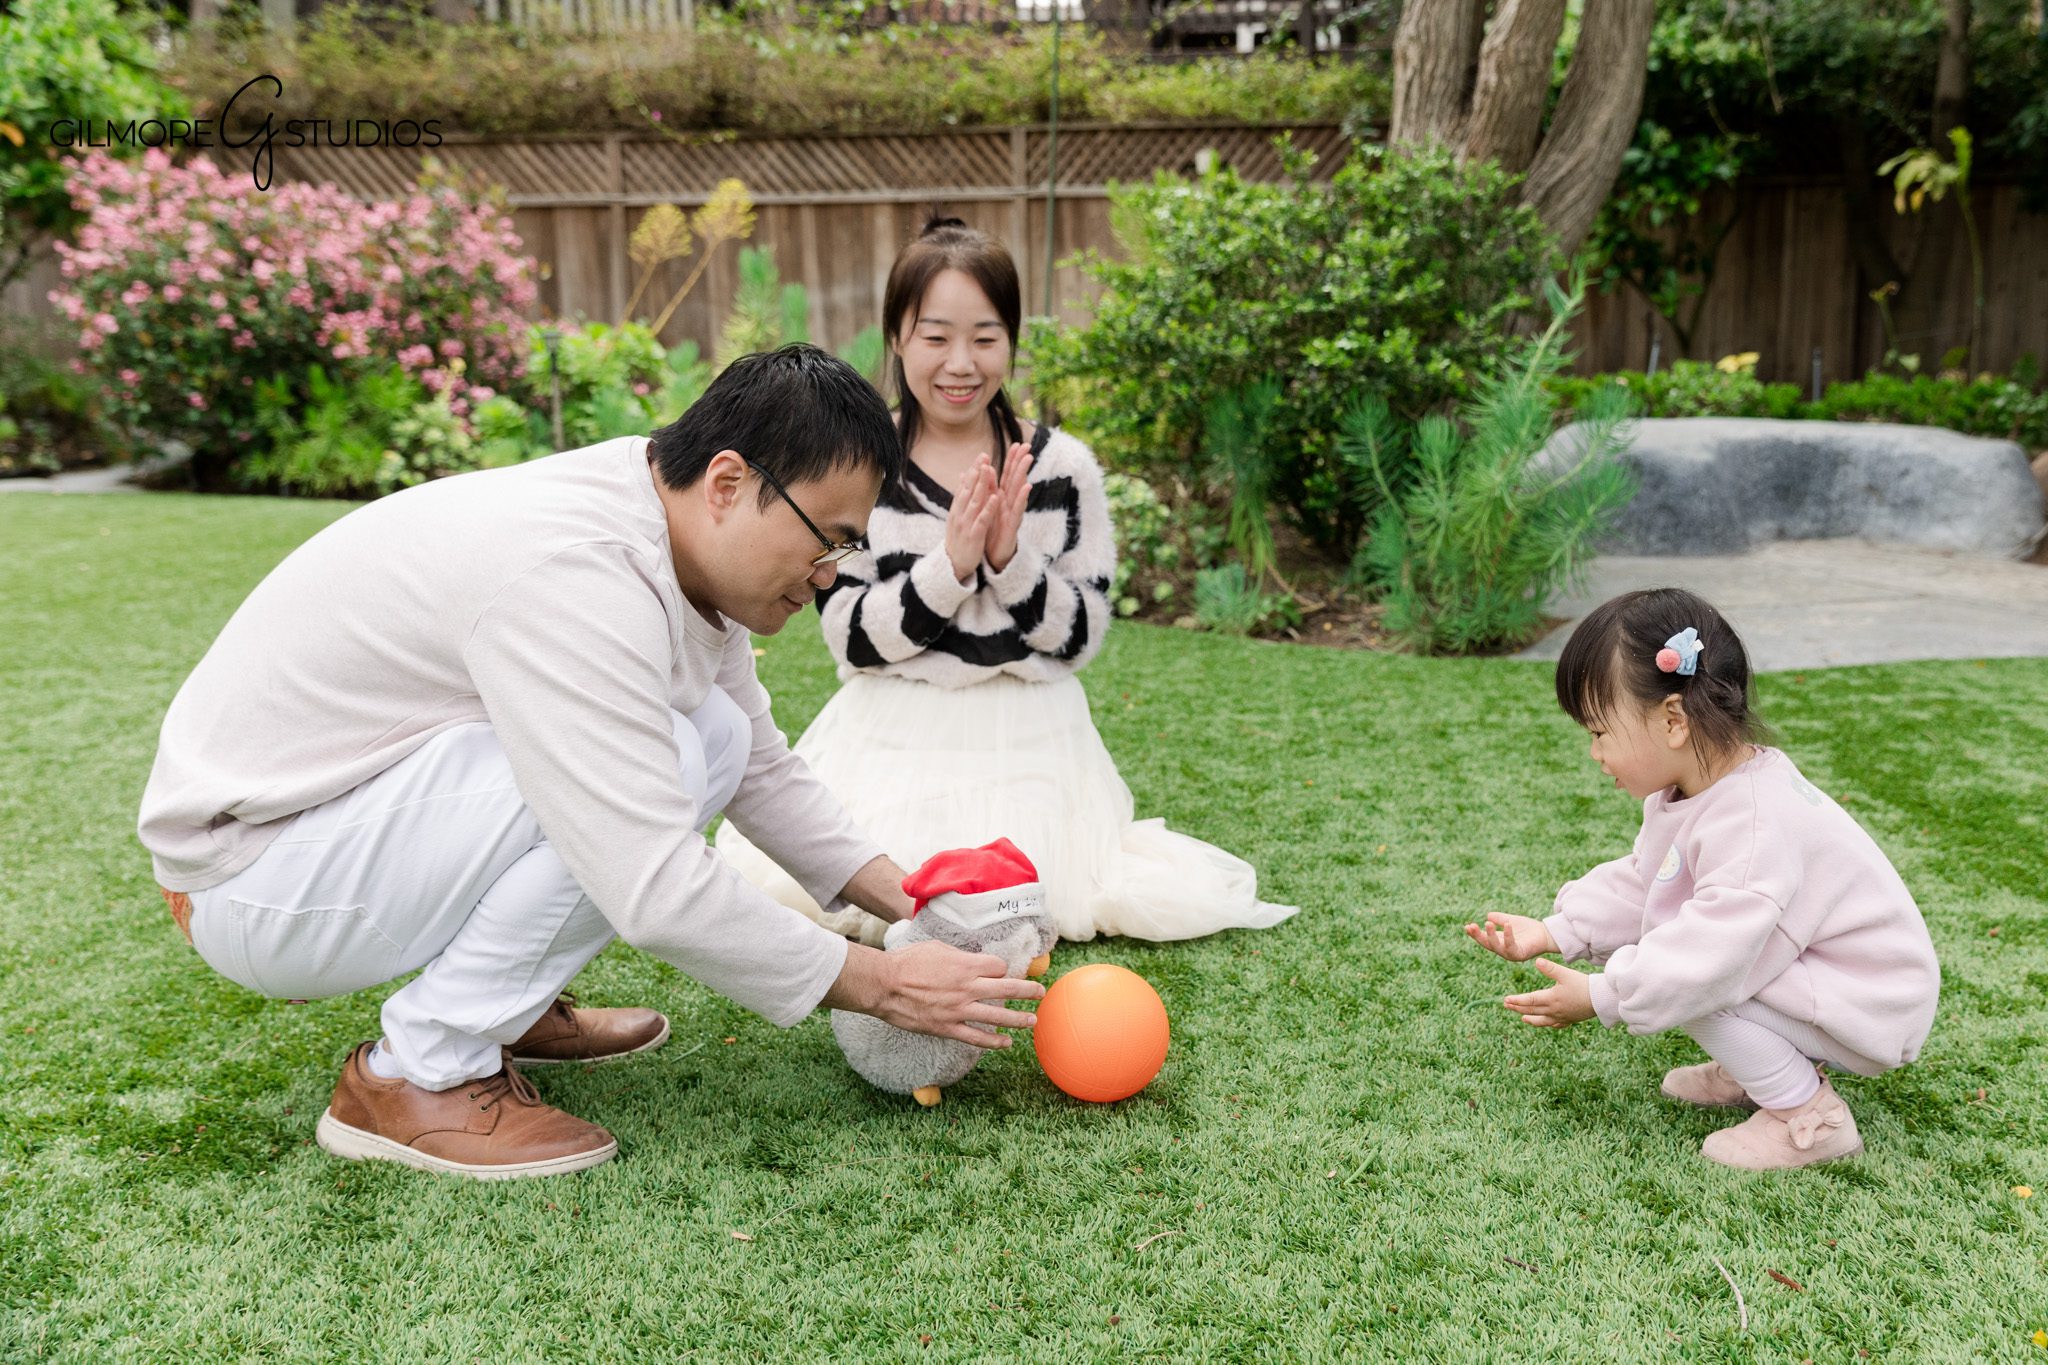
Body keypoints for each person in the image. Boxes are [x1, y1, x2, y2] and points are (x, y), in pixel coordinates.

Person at [138, 345, 1044, 1180]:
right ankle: (416, 1072)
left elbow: (757, 765)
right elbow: (646, 876)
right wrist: (884, 984)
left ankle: (498, 1000)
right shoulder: (581, 571)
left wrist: (911, 900)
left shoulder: (671, 527)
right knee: (660, 766)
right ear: (728, 482)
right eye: (831, 538)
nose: (833, 573)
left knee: (713, 741)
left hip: (337, 830)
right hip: (255, 874)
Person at [715, 217, 1294, 945]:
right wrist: (951, 567)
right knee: (873, 888)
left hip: (1033, 726)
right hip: (893, 727)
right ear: (897, 337)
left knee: (1034, 897)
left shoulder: (1062, 468)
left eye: (985, 338)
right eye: (935, 337)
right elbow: (852, 639)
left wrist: (1011, 561)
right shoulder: (857, 467)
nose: (961, 362)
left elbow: (1079, 637)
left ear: (1012, 343)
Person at [1464, 588, 1940, 1170]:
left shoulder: (1754, 823)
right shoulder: (1698, 790)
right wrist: (1556, 930)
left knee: (1694, 980)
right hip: (1828, 976)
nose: (1593, 753)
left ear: (1672, 721)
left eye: (1598, 732)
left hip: (1869, 999)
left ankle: (1807, 1116)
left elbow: (1708, 956)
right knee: (1684, 959)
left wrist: (1599, 996)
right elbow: (1649, 882)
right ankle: (1760, 1068)